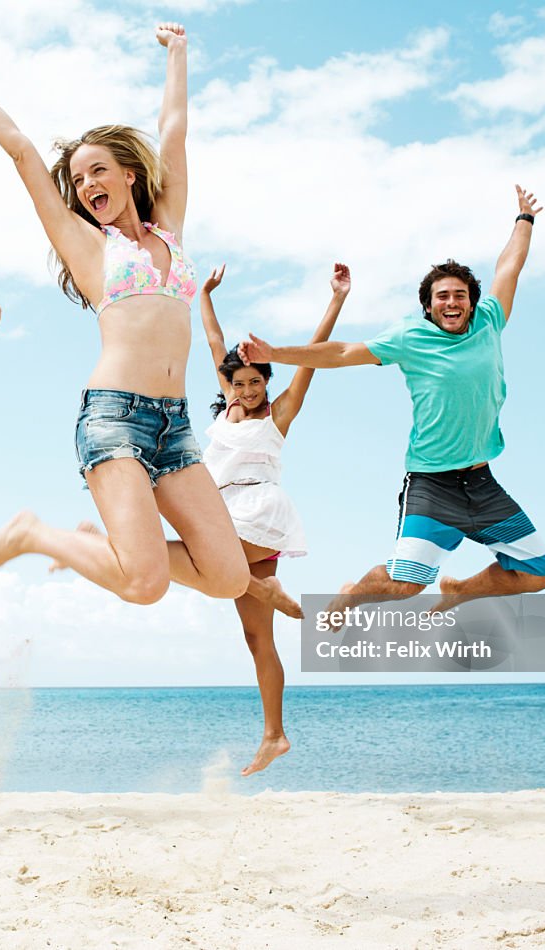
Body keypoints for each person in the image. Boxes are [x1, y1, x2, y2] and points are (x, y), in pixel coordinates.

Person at [0, 23, 249, 606]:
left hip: (175, 425)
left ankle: (114, 545)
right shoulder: (89, 246)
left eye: (98, 171)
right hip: (115, 417)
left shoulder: (169, 229)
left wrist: (179, 54)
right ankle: (34, 533)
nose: (86, 185)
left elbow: (174, 133)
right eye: (79, 179)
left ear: (129, 175)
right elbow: (23, 154)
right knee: (144, 585)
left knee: (229, 576)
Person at [240, 186, 545, 614]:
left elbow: (510, 266)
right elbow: (344, 353)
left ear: (472, 302)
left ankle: (461, 590)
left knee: (538, 573)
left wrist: (525, 220)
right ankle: (352, 594)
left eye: (459, 295)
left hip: (482, 482)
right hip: (431, 482)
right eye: (441, 296)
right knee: (407, 586)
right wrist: (275, 354)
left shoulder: (490, 320)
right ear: (428, 306)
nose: (451, 302)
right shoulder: (411, 337)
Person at [201, 262, 350, 775]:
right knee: (256, 638)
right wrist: (205, 295)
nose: (245, 391)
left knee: (204, 568)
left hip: (257, 511)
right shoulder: (224, 412)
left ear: (267, 380)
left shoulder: (278, 414)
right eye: (237, 383)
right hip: (225, 513)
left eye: (253, 382)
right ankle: (274, 735)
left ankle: (266, 590)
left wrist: (336, 300)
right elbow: (213, 337)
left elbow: (312, 359)